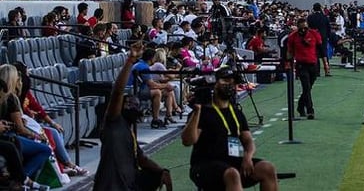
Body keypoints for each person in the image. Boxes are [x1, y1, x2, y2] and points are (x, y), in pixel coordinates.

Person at [182, 67, 277, 191]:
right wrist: (197, 110)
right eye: (225, 81)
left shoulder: (236, 112)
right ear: (214, 84)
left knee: (267, 168)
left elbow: (248, 140)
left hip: (231, 161)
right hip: (204, 165)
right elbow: (188, 141)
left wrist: (248, 156)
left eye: (233, 82)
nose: (230, 85)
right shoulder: (203, 112)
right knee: (232, 174)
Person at [93, 41, 171, 190]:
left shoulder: (130, 131)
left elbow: (141, 159)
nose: (133, 104)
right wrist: (130, 61)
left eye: (135, 103)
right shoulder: (113, 122)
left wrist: (162, 170)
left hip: (130, 183)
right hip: (110, 186)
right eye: (128, 103)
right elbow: (117, 92)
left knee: (157, 174)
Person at [0, 64, 52, 188]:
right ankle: (22, 180)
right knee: (45, 149)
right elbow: (20, 128)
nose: (20, 81)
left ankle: (21, 180)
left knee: (50, 133)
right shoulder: (11, 98)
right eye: (18, 79)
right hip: (10, 135)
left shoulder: (10, 97)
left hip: (8, 134)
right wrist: (37, 136)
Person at [286, 17, 322, 119]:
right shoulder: (293, 36)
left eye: (305, 28)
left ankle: (300, 106)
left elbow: (320, 48)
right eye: (301, 29)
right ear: (297, 28)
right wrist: (288, 63)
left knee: (308, 88)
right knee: (306, 87)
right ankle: (310, 111)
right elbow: (289, 51)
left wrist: (325, 63)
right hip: (301, 65)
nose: (303, 30)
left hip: (313, 64)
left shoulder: (314, 34)